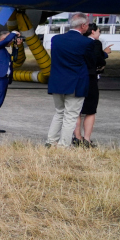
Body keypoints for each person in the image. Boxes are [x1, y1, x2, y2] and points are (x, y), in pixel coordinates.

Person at [46, 12, 94, 148]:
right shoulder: (86, 42)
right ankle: (63, 145)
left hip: (57, 82)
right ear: (83, 26)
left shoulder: (56, 39)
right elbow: (91, 63)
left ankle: (50, 141)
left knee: (59, 112)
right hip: (75, 83)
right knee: (71, 115)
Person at [74, 23, 111, 147]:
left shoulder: (79, 42)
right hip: (90, 79)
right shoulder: (95, 43)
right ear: (93, 32)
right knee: (90, 111)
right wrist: (104, 54)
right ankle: (87, 139)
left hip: (77, 79)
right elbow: (97, 59)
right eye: (99, 31)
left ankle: (77, 137)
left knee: (76, 110)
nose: (99, 34)